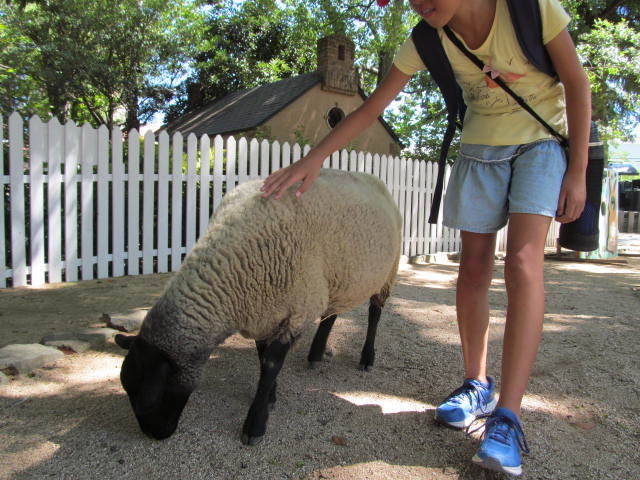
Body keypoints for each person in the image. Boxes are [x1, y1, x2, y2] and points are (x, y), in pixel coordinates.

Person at [260, 0, 590, 475]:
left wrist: (576, 170)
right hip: (479, 148)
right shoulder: (425, 39)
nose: (419, 2)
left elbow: (577, 83)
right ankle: (476, 384)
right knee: (472, 265)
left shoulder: (530, 8)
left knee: (521, 263)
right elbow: (373, 106)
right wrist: (314, 158)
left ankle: (508, 417)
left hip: (542, 143)